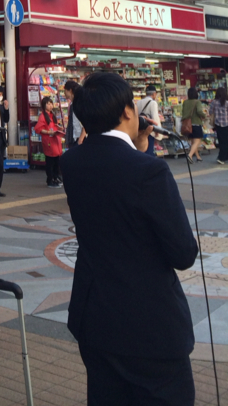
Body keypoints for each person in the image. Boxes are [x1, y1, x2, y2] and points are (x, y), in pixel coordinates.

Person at [61, 71, 198, 406]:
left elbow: (113, 183)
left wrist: (139, 149)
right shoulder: (150, 171)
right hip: (149, 326)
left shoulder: (71, 162)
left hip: (94, 317)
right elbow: (183, 253)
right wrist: (143, 154)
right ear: (126, 111)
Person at [35, 97, 64, 188]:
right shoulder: (42, 116)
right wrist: (48, 132)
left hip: (55, 140)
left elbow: (54, 126)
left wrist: (59, 128)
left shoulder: (52, 115)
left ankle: (56, 178)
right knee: (50, 161)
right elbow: (38, 128)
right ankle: (50, 180)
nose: (50, 105)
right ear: (44, 105)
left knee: (56, 160)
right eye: (48, 104)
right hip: (49, 141)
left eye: (51, 103)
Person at [181, 86, 207, 164]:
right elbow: (199, 111)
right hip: (196, 123)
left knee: (193, 141)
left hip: (187, 124)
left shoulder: (185, 102)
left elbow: (183, 112)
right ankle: (190, 155)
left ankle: (198, 157)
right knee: (197, 140)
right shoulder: (197, 102)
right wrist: (204, 116)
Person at [136, 84, 160, 156]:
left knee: (141, 150)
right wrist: (158, 130)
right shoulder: (153, 103)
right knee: (149, 151)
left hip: (140, 130)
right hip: (149, 130)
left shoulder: (139, 102)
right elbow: (155, 117)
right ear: (154, 94)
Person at [209, 86, 228, 165]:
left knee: (221, 141)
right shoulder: (226, 103)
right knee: (226, 141)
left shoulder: (214, 102)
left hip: (218, 124)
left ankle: (222, 157)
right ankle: (222, 157)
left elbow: (210, 112)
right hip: (226, 124)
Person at [64, 80, 85, 147]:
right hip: (74, 138)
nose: (64, 93)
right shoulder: (72, 104)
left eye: (65, 90)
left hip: (80, 139)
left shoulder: (80, 104)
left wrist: (81, 139)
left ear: (70, 90)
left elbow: (86, 122)